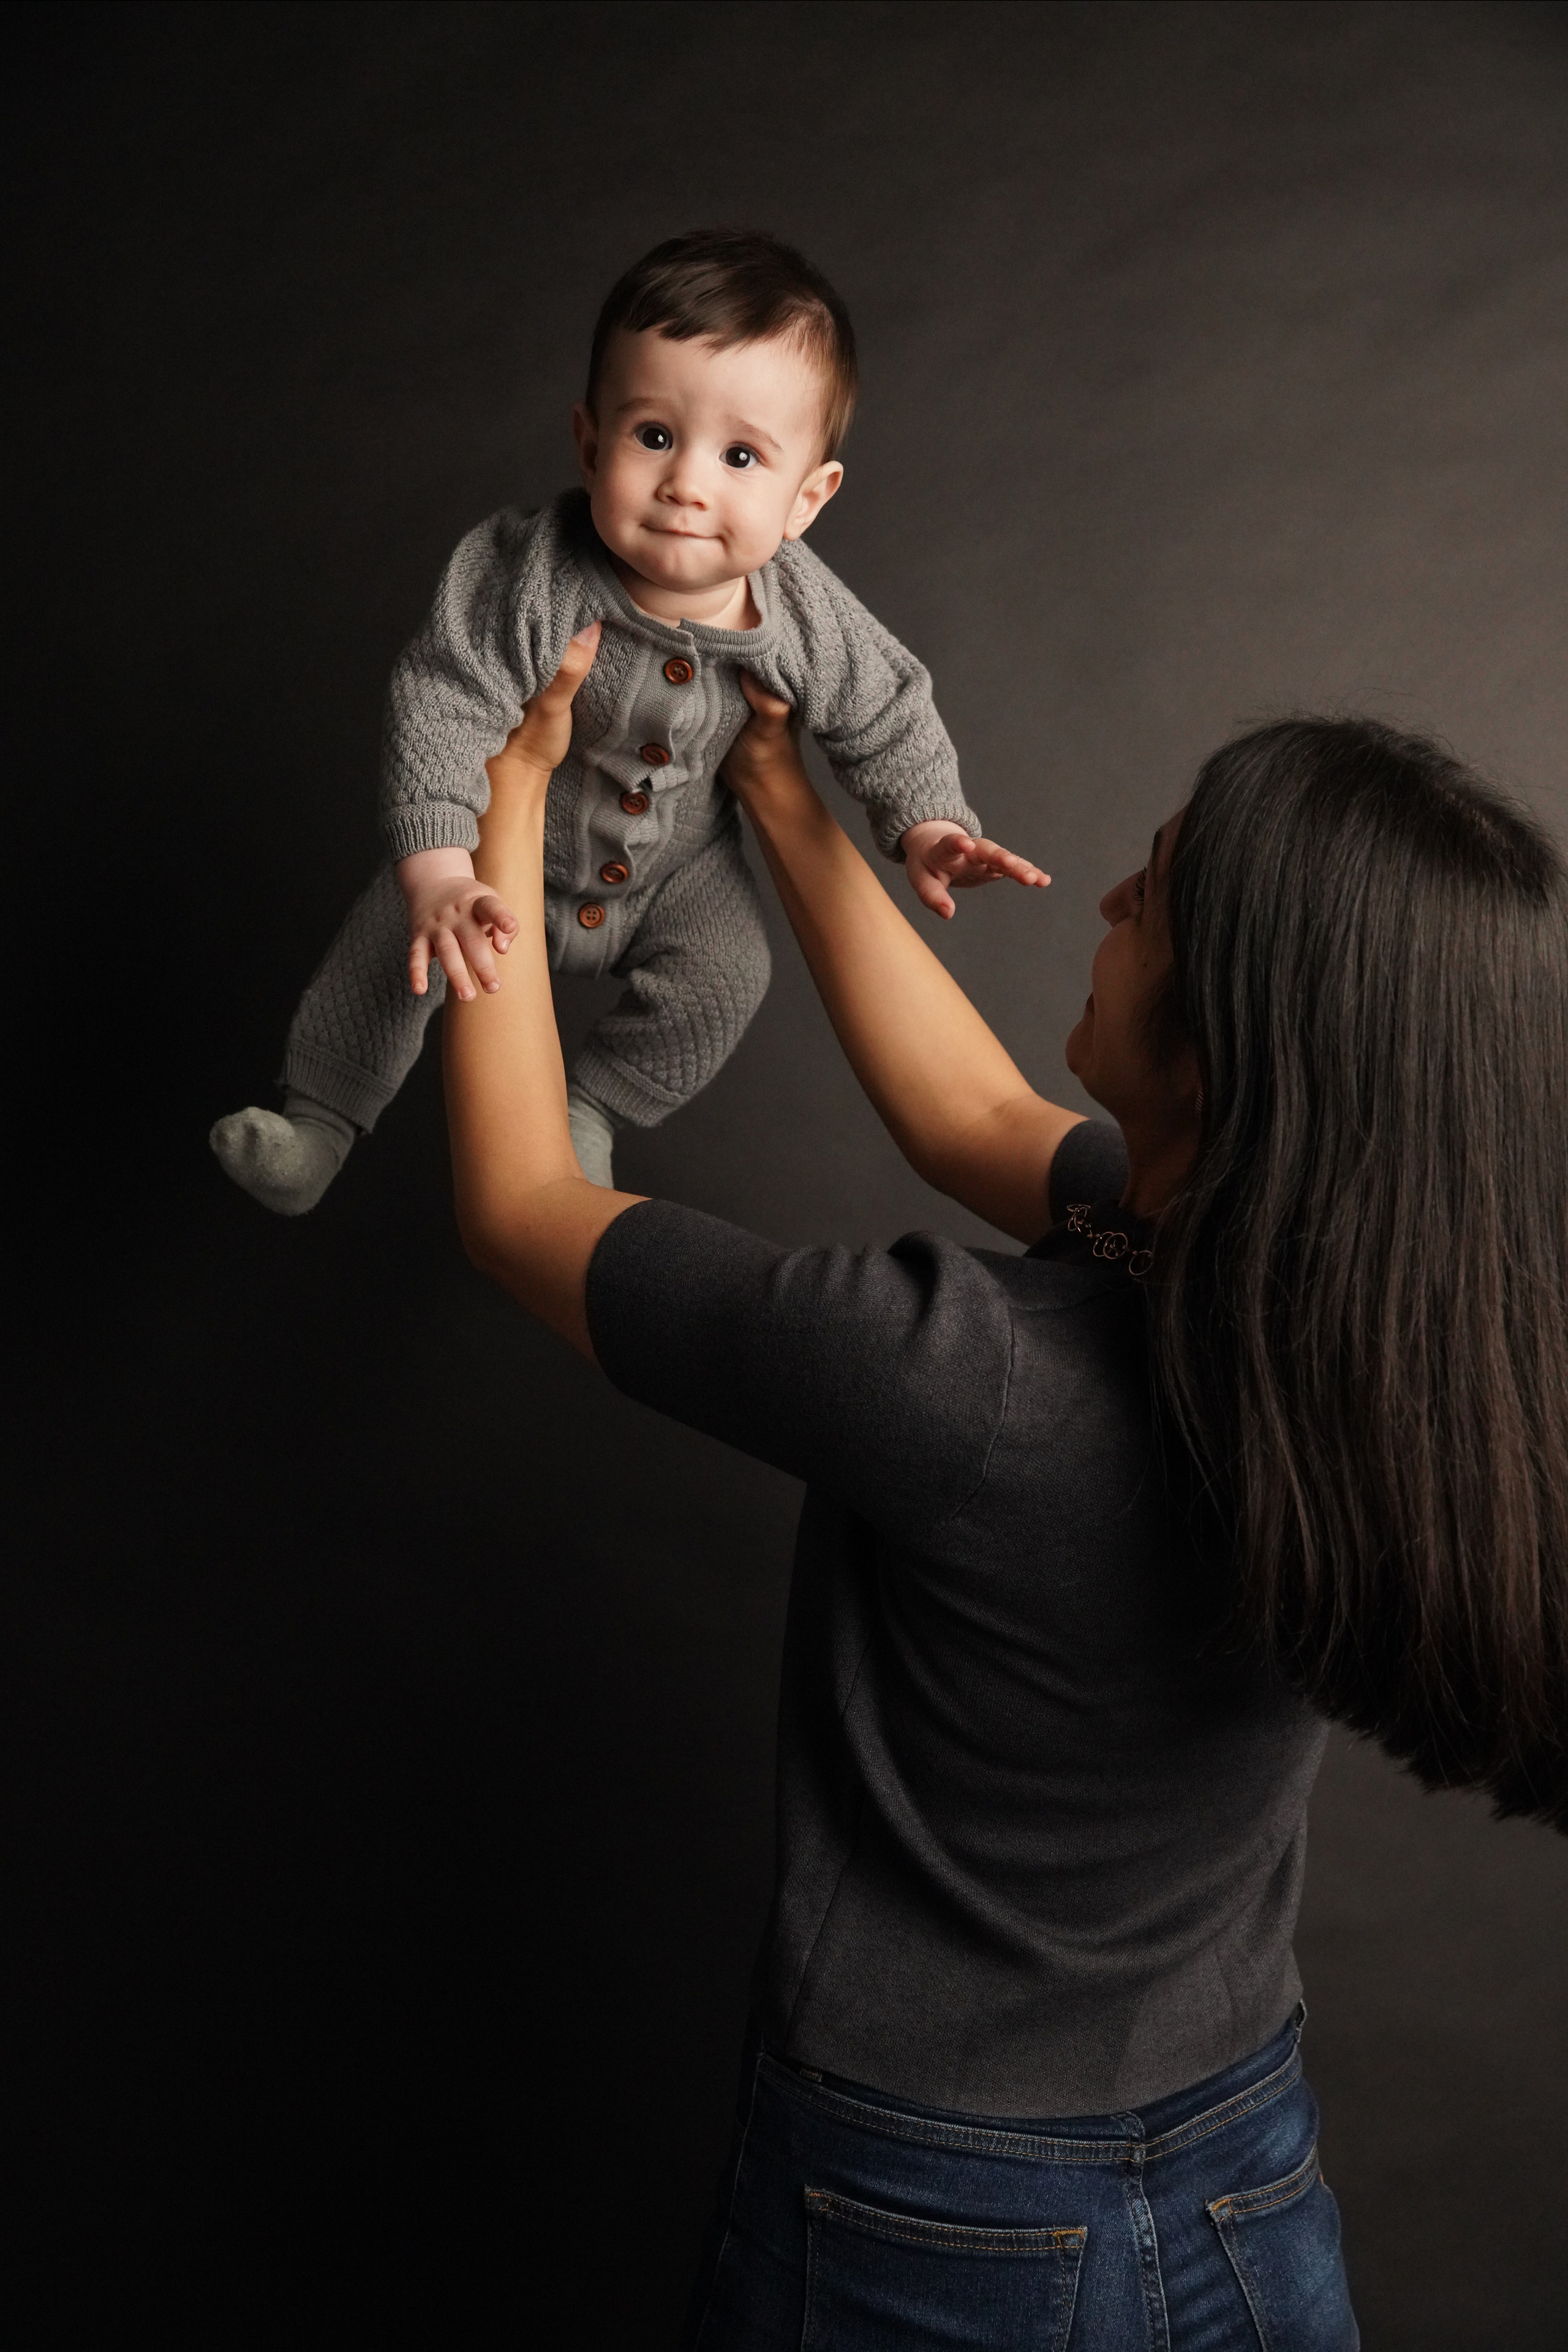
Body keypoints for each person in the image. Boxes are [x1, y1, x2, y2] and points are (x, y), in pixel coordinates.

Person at [440, 634, 1568, 2348]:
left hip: (935, 2220)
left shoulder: (956, 1376)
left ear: (1227, 1045)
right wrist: (774, 783)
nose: (1109, 897)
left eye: (1153, 898)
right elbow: (970, 1109)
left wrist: (507, 796)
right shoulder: (1340, 1334)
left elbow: (523, 1207)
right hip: (1242, 2165)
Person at [209, 228, 1040, 1217]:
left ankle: (592, 1109)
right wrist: (440, 874)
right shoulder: (532, 573)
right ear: (589, 440)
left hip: (673, 874)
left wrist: (930, 824)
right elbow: (443, 699)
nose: (687, 482)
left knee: (732, 972)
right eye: (653, 436)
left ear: (807, 499)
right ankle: (319, 1123)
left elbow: (887, 707)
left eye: (741, 456)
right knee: (400, 932)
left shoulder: (803, 612)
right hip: (502, 851)